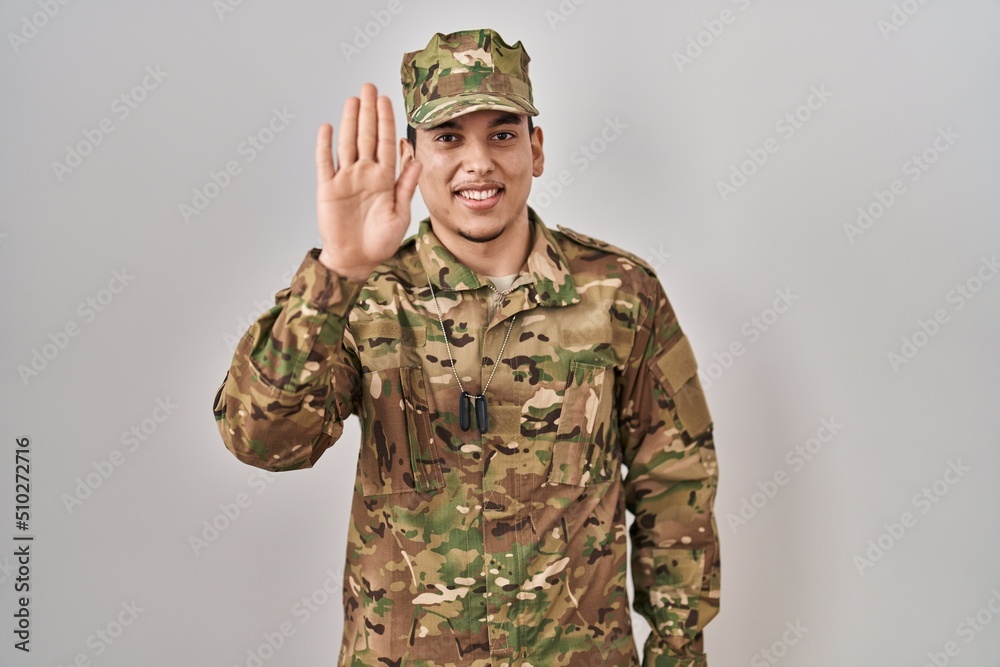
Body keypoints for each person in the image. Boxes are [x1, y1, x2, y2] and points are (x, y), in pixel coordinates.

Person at [212, 27, 720, 667]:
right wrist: (337, 272)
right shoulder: (365, 297)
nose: (478, 162)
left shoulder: (620, 291)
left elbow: (674, 480)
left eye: (501, 135)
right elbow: (261, 441)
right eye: (449, 138)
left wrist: (678, 652)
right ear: (410, 160)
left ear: (536, 149)